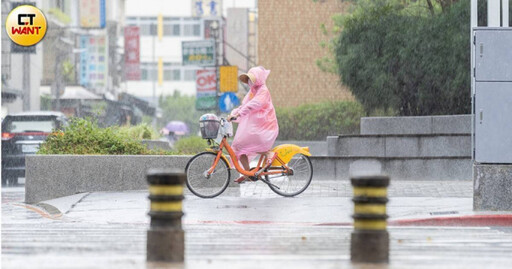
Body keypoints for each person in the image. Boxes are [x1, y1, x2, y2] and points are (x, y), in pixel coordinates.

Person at [228, 66, 279, 183]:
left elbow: (253, 104)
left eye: (252, 79)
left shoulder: (263, 91)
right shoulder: (252, 92)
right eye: (249, 80)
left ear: (259, 79)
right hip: (255, 127)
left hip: (265, 127)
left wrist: (239, 113)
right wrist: (233, 114)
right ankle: (248, 173)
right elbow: (244, 105)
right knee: (238, 147)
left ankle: (268, 153)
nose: (250, 82)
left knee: (244, 144)